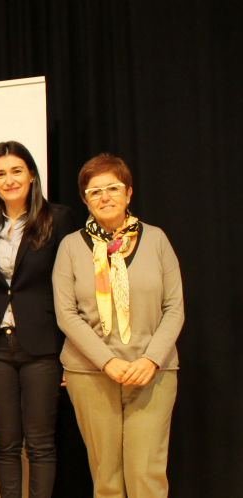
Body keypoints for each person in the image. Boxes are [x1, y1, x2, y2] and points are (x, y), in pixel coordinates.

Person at [52, 154, 184, 498]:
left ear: (128, 193)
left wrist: (150, 359)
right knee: (107, 480)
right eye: (94, 192)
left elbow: (174, 309)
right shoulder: (69, 246)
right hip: (91, 375)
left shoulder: (156, 240)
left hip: (151, 374)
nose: (104, 197)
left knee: (146, 477)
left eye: (112, 188)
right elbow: (66, 314)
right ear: (84, 199)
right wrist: (106, 361)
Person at [0, 141, 76, 498]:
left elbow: (73, 286)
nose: (9, 180)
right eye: (0, 174)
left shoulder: (58, 218)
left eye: (16, 171)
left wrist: (71, 351)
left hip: (43, 344)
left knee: (40, 443)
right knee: (5, 443)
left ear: (32, 175)